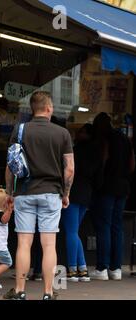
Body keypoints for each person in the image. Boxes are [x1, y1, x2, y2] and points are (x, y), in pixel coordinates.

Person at [4, 91, 74, 300]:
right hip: (52, 193)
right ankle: (47, 293)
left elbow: (11, 165)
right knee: (49, 244)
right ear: (49, 108)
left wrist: (10, 192)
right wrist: (66, 193)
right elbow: (69, 168)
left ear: (32, 109)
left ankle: (19, 291)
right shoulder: (62, 133)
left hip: (25, 192)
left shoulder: (20, 130)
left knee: (24, 243)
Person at [89, 112, 135, 280]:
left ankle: (102, 267)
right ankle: (116, 269)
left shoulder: (105, 139)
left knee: (104, 226)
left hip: (107, 187)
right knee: (117, 227)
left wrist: (99, 178)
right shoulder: (124, 139)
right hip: (123, 187)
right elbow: (132, 164)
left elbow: (103, 159)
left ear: (100, 125)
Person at [62, 123, 101, 282]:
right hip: (87, 194)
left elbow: (68, 170)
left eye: (81, 132)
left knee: (71, 231)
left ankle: (74, 269)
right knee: (74, 231)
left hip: (72, 192)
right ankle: (82, 269)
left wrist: (65, 191)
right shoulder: (96, 153)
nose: (78, 134)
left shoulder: (75, 151)